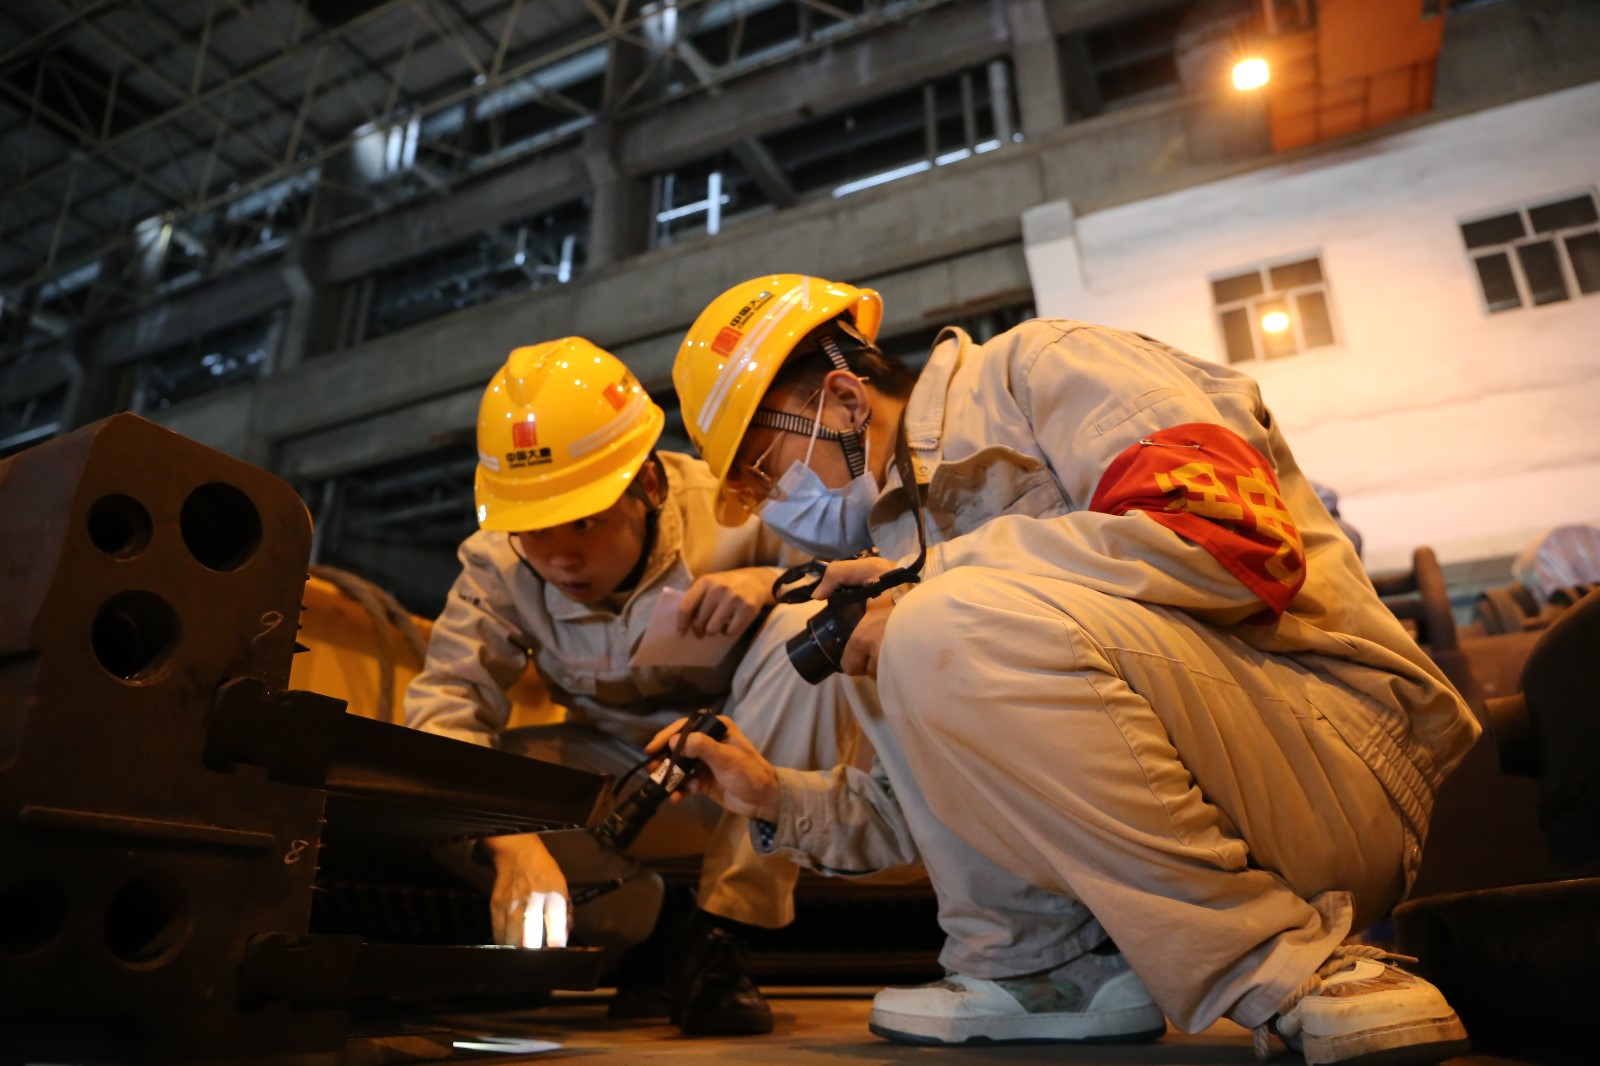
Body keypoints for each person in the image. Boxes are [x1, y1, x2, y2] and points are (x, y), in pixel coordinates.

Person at [656, 275, 1482, 1065]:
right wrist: (771, 797)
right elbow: (959, 798)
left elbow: (1231, 543)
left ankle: (1286, 965)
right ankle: (1047, 974)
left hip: (1330, 764)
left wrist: (934, 579)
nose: (773, 507)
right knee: (908, 632)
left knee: (934, 619)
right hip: (1217, 790)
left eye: (764, 470)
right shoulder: (902, 536)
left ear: (842, 399)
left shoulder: (1046, 368)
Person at [404, 336, 873, 1035]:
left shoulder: (740, 501)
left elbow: (874, 580)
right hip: (624, 771)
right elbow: (446, 705)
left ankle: (723, 937)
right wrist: (511, 839)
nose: (560, 557)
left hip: (754, 763)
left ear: (649, 486)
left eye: (584, 521)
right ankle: (658, 933)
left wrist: (772, 583)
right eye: (533, 531)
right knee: (442, 794)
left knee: (809, 631)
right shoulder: (494, 567)